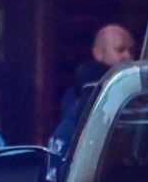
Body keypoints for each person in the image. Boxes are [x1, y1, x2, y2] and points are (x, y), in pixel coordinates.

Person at [50, 24, 135, 161]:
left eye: (131, 50)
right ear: (98, 53)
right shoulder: (84, 96)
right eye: (120, 50)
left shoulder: (133, 91)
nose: (128, 56)